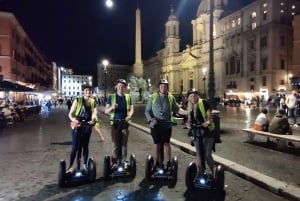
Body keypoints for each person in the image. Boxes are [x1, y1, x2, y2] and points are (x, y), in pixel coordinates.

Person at [145, 79, 187, 171]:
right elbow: (147, 111)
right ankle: (156, 162)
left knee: (166, 143)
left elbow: (176, 109)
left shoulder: (171, 97)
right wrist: (151, 119)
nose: (163, 88)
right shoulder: (153, 97)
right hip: (155, 125)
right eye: (161, 86)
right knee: (157, 143)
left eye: (165, 86)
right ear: (159, 87)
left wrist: (187, 112)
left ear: (167, 87)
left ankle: (168, 162)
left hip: (166, 124)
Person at [67, 84, 97, 172]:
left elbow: (94, 112)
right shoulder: (78, 100)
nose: (88, 92)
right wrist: (74, 120)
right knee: (75, 147)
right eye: (86, 90)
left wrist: (93, 119)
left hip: (87, 126)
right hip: (77, 125)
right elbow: (70, 114)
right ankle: (70, 166)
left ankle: (84, 165)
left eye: (90, 90)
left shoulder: (93, 101)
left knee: (85, 146)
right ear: (83, 91)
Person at [185, 88, 215, 175]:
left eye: (195, 95)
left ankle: (214, 173)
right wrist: (188, 123)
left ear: (197, 96)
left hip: (208, 132)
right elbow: (189, 120)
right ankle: (201, 172)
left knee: (207, 155)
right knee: (198, 154)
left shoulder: (203, 103)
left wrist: (208, 121)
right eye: (191, 96)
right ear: (189, 98)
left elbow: (209, 114)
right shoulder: (189, 106)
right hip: (196, 132)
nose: (193, 98)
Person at [105, 79, 134, 164]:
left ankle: (124, 160)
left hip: (125, 123)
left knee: (124, 144)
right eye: (119, 86)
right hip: (115, 123)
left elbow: (132, 109)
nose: (120, 88)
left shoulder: (128, 97)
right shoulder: (112, 97)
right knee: (115, 144)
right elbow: (106, 111)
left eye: (122, 86)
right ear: (116, 87)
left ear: (125, 88)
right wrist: (112, 107)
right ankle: (114, 162)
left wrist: (129, 115)